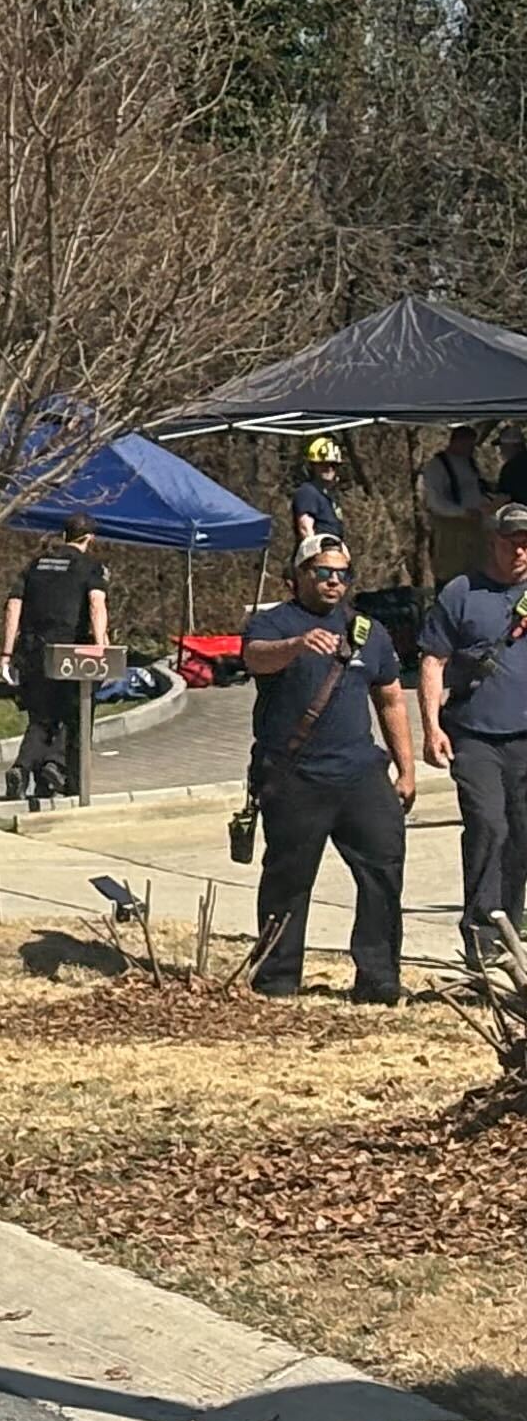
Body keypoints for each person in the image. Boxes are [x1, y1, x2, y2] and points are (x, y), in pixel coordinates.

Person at [235, 536, 418, 1001]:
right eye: (323, 572)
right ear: (298, 576)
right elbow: (254, 657)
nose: (334, 581)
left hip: (360, 774)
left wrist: (407, 769)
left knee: (382, 871)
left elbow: (391, 697)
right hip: (295, 774)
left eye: (342, 574)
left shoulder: (367, 631)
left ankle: (378, 978)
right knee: (289, 879)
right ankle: (277, 978)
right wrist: (296, 646)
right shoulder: (273, 622)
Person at [420, 500, 527, 968]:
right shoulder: (461, 593)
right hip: (475, 735)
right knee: (489, 826)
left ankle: (511, 925)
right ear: (494, 541)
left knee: (522, 832)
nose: (521, 551)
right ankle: (481, 933)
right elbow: (432, 662)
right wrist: (430, 728)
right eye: (513, 541)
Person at [0, 515, 112, 807]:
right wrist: (101, 647)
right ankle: (58, 769)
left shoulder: (35, 564)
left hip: (33, 651)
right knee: (74, 716)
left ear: (64, 534)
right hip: (71, 651)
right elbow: (96, 604)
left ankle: (22, 769)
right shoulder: (90, 567)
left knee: (41, 718)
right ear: (90, 538)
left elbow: (13, 607)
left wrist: (7, 653)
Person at [424, 424, 496, 586]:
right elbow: (435, 502)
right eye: (467, 444)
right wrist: (461, 512)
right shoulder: (437, 466)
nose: (470, 449)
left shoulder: (469, 463)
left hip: (475, 526)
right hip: (451, 528)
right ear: (456, 442)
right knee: (452, 572)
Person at [291, 437, 348, 557]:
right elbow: (305, 528)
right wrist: (315, 556)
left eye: (333, 465)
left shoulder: (329, 495)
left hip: (334, 553)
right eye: (323, 464)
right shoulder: (307, 492)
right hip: (319, 556)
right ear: (312, 466)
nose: (329, 469)